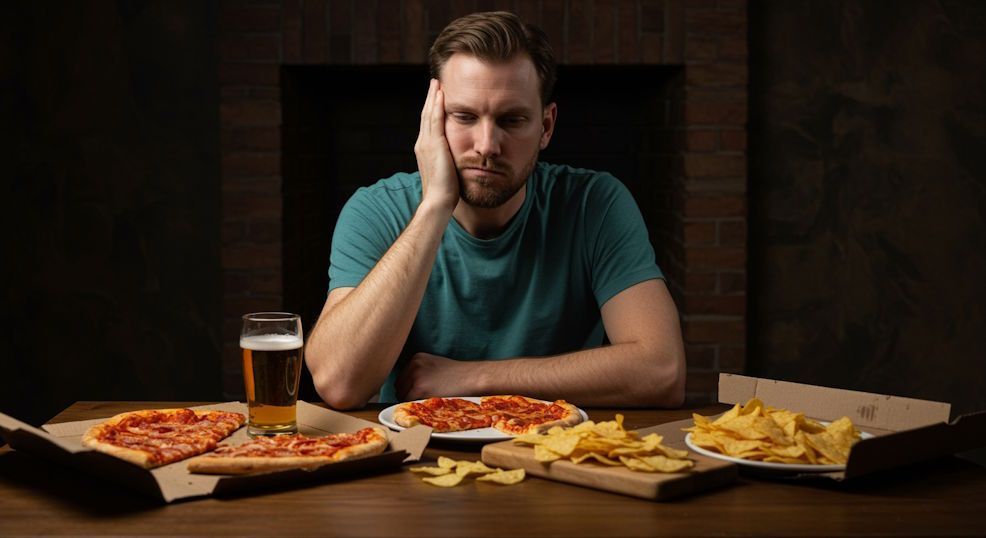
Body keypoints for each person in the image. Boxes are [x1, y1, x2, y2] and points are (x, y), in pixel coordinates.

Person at [305, 11, 685, 409]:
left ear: (546, 126)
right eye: (465, 116)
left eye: (512, 119)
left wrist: (474, 377)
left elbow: (662, 371)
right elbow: (339, 383)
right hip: (415, 454)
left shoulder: (596, 202)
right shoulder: (376, 210)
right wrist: (435, 205)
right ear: (433, 120)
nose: (487, 144)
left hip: (554, 451)